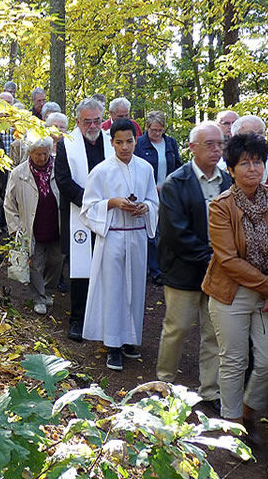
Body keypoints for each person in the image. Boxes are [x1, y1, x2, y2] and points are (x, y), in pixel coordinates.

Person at [202, 133, 268, 438]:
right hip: (230, 293)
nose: (252, 168)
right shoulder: (221, 207)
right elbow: (227, 260)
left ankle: (248, 411)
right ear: (231, 169)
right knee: (234, 360)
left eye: (258, 161)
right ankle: (232, 426)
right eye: (244, 163)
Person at [155, 121, 231, 409]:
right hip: (184, 270)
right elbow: (176, 232)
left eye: (220, 144)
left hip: (220, 271)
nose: (216, 150)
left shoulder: (227, 181)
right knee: (178, 327)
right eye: (209, 144)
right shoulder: (177, 182)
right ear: (192, 148)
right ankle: (164, 384)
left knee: (213, 331)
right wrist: (212, 258)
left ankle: (210, 390)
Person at [80, 118, 160, 370]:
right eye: (119, 142)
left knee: (135, 288)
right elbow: (88, 208)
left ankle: (129, 340)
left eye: (130, 141)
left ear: (136, 140)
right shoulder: (101, 171)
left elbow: (153, 200)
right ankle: (112, 344)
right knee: (113, 290)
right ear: (112, 142)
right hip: (112, 236)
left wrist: (145, 207)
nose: (125, 147)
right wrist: (112, 203)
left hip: (136, 236)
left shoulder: (146, 168)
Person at [56, 98, 112, 342]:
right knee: (80, 269)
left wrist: (105, 205)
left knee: (107, 267)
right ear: (77, 122)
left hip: (109, 213)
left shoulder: (112, 143)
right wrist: (90, 203)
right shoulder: (66, 145)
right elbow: (63, 180)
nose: (92, 125)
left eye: (97, 120)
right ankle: (77, 319)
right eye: (87, 121)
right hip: (78, 212)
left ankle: (104, 318)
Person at [4, 137, 64, 315]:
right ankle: (39, 297)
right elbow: (9, 203)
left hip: (56, 226)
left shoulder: (59, 168)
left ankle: (46, 290)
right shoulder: (19, 173)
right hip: (32, 229)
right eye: (38, 154)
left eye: (46, 153)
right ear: (30, 153)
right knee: (35, 264)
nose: (43, 157)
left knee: (57, 262)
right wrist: (15, 228)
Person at [135, 111, 182, 285]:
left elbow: (178, 165)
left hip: (168, 192)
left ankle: (167, 266)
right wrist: (152, 186)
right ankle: (155, 270)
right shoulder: (139, 144)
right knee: (152, 232)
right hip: (149, 193)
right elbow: (137, 169)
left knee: (168, 230)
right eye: (154, 130)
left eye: (160, 130)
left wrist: (172, 184)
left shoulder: (170, 143)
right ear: (147, 127)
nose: (157, 134)